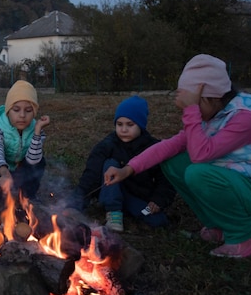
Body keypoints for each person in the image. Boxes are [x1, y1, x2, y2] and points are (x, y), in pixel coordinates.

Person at [104, 54, 251, 258]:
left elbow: (201, 155)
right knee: (174, 162)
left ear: (212, 97)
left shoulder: (246, 118)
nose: (192, 113)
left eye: (195, 105)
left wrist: (191, 111)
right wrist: (127, 169)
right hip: (233, 181)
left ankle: (247, 236)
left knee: (197, 172)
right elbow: (170, 146)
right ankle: (218, 225)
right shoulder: (214, 113)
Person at [67, 96, 176, 232]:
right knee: (110, 164)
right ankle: (113, 212)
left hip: (135, 195)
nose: (124, 130)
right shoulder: (107, 145)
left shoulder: (153, 148)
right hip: (111, 192)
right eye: (120, 124)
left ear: (141, 125)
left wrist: (159, 200)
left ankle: (130, 212)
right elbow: (91, 174)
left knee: (158, 220)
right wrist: (75, 203)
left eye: (130, 125)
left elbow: (165, 178)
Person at [0, 80, 50, 206]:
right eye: (16, 110)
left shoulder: (35, 128)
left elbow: (33, 160)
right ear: (8, 111)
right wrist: (4, 173)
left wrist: (37, 131)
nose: (22, 115)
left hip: (20, 171)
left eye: (28, 110)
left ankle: (27, 195)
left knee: (40, 160)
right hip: (1, 170)